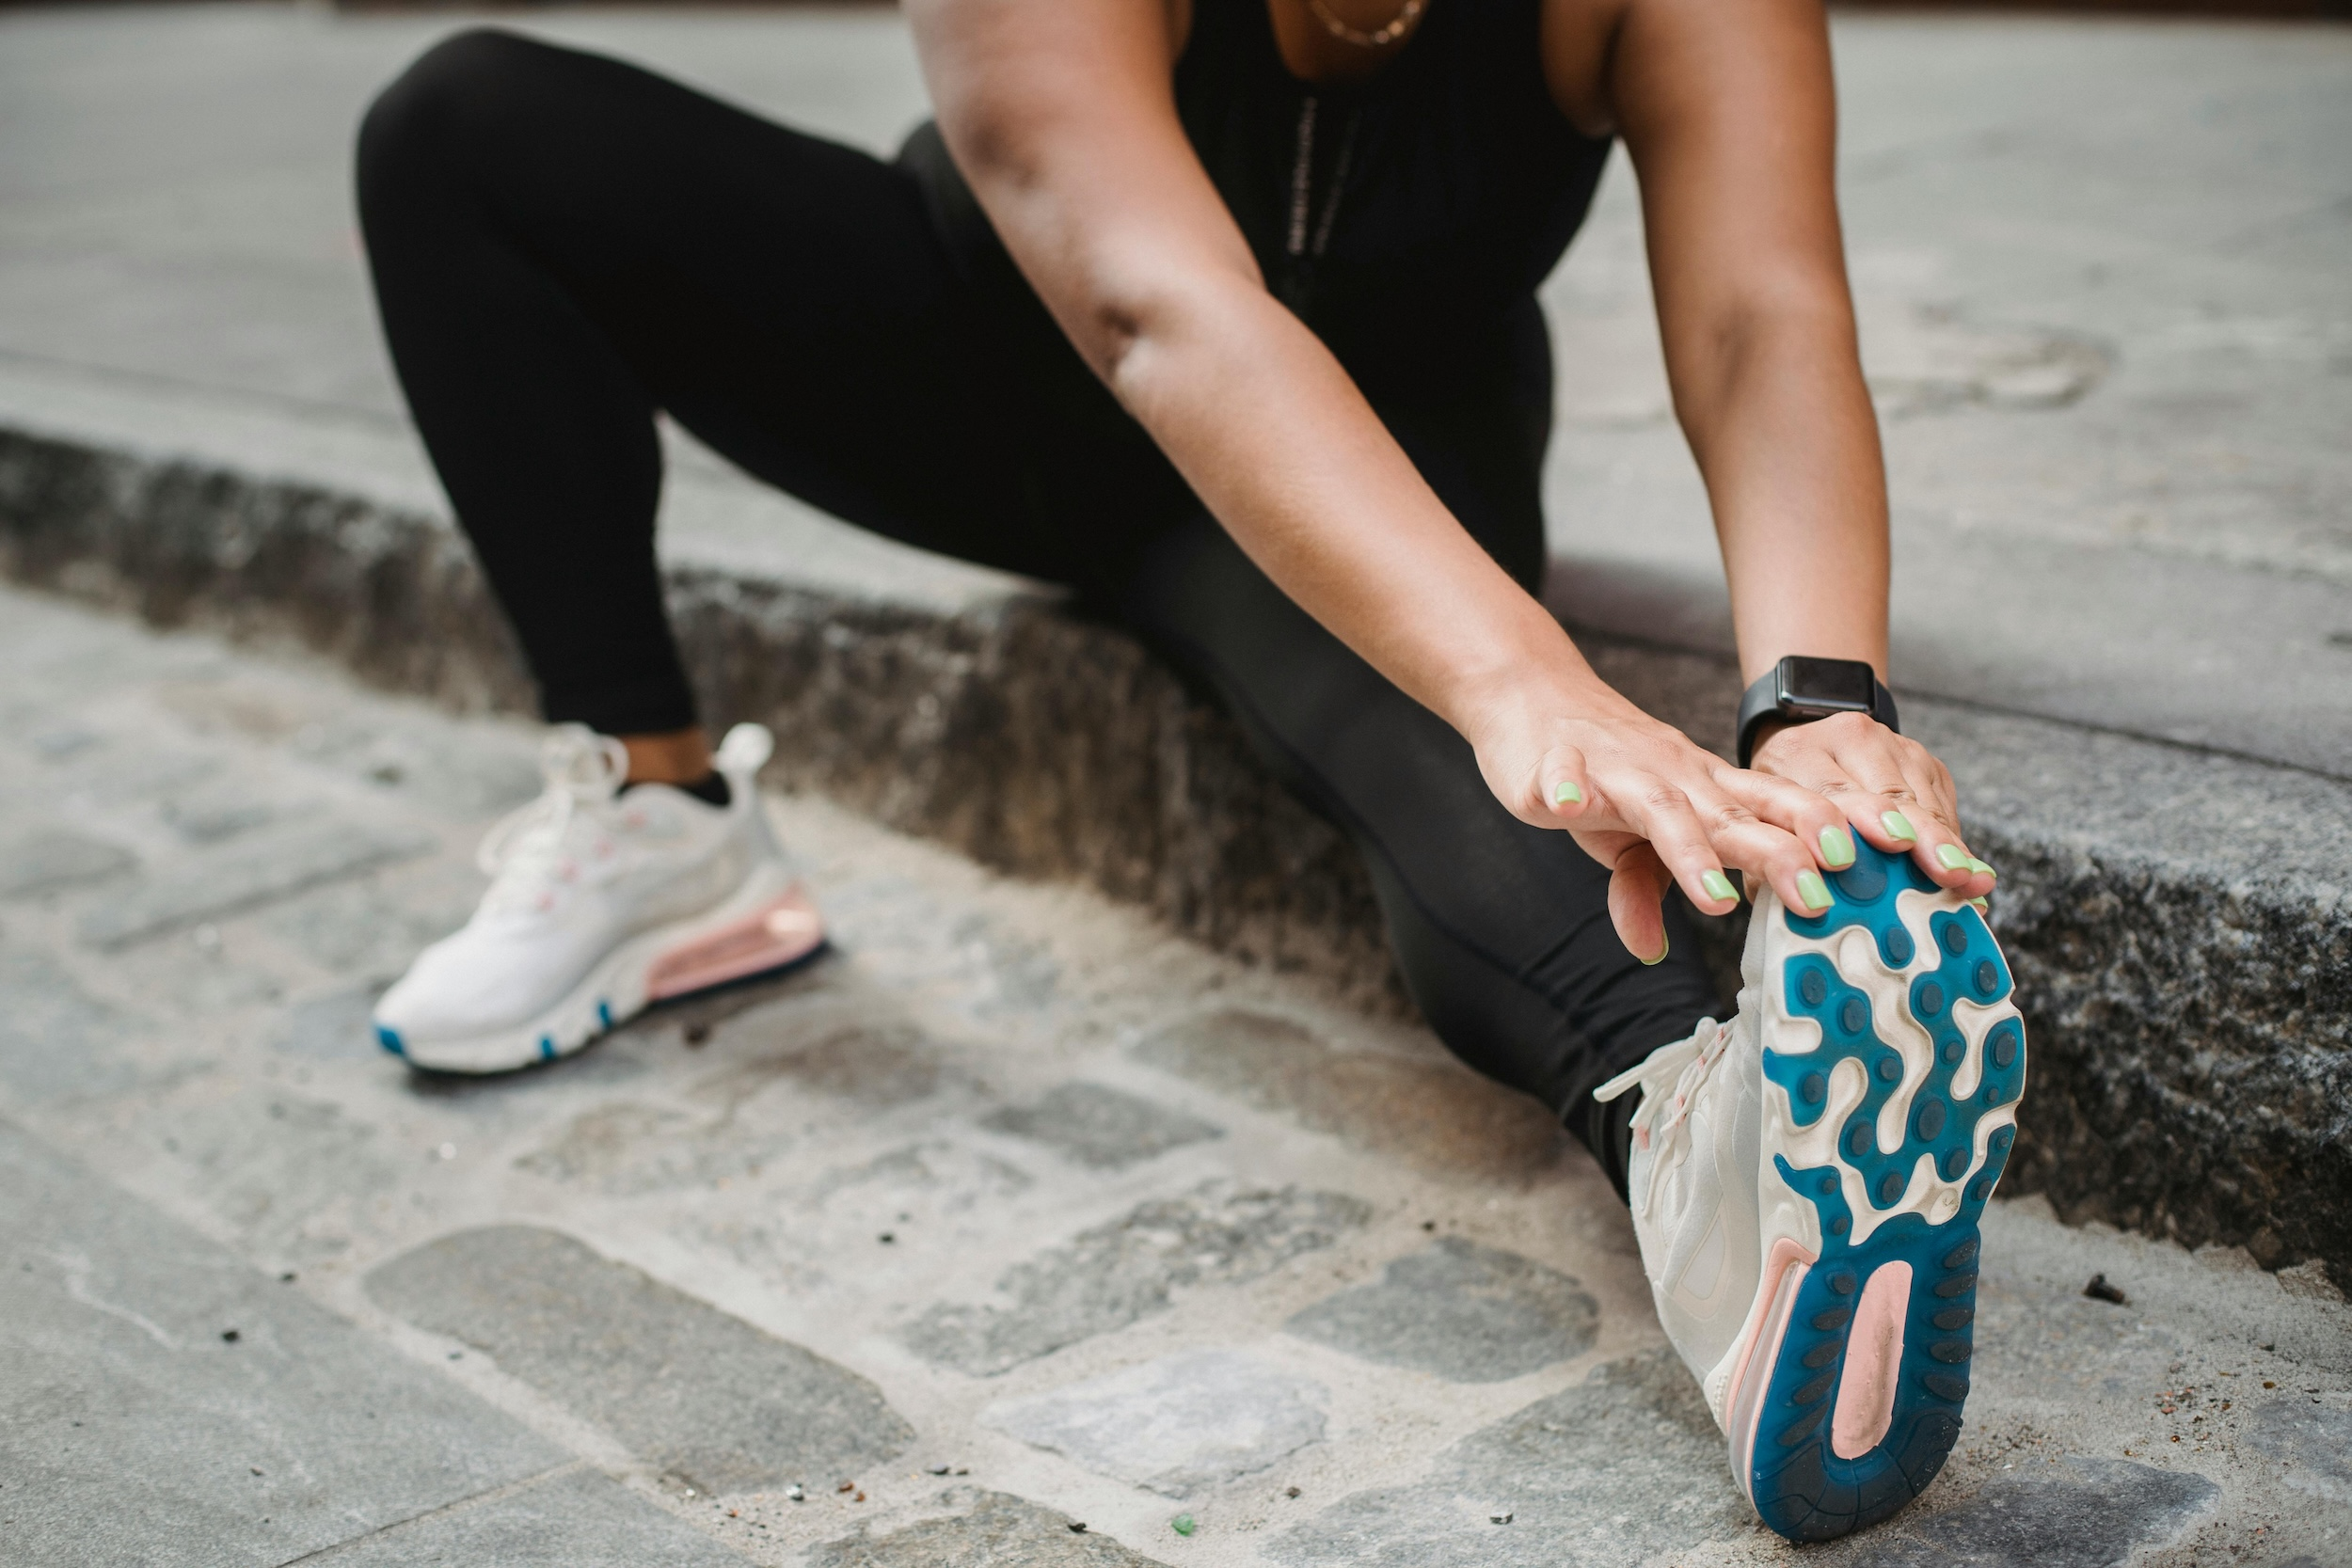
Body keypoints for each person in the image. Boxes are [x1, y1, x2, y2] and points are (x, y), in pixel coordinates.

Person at [353, 0, 2024, 1541]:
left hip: (1388, 445)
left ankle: (1706, 1147)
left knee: (1444, 732)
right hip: (1013, 365)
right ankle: (663, 812)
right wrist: (1528, 680)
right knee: (466, 124)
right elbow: (1163, 313)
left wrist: (1815, 704)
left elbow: (1758, 312)